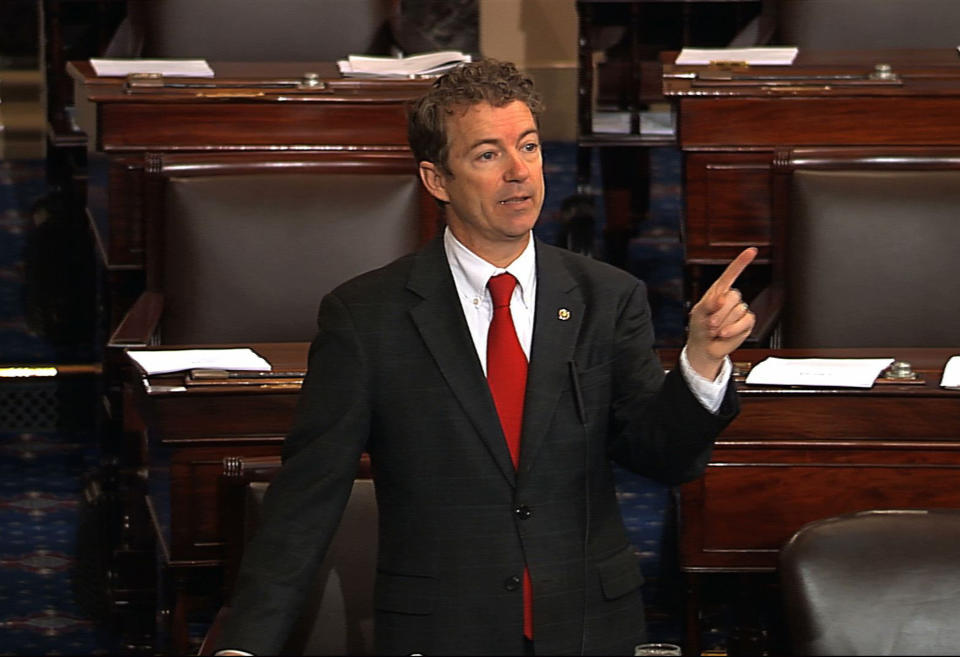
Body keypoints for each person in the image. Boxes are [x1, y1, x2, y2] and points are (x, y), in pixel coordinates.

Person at [214, 58, 755, 656]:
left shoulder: (608, 296)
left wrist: (702, 361)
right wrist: (245, 646)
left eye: (528, 146)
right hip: (440, 631)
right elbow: (307, 497)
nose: (519, 172)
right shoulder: (366, 316)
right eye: (488, 155)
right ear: (436, 179)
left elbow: (661, 458)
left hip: (588, 628)